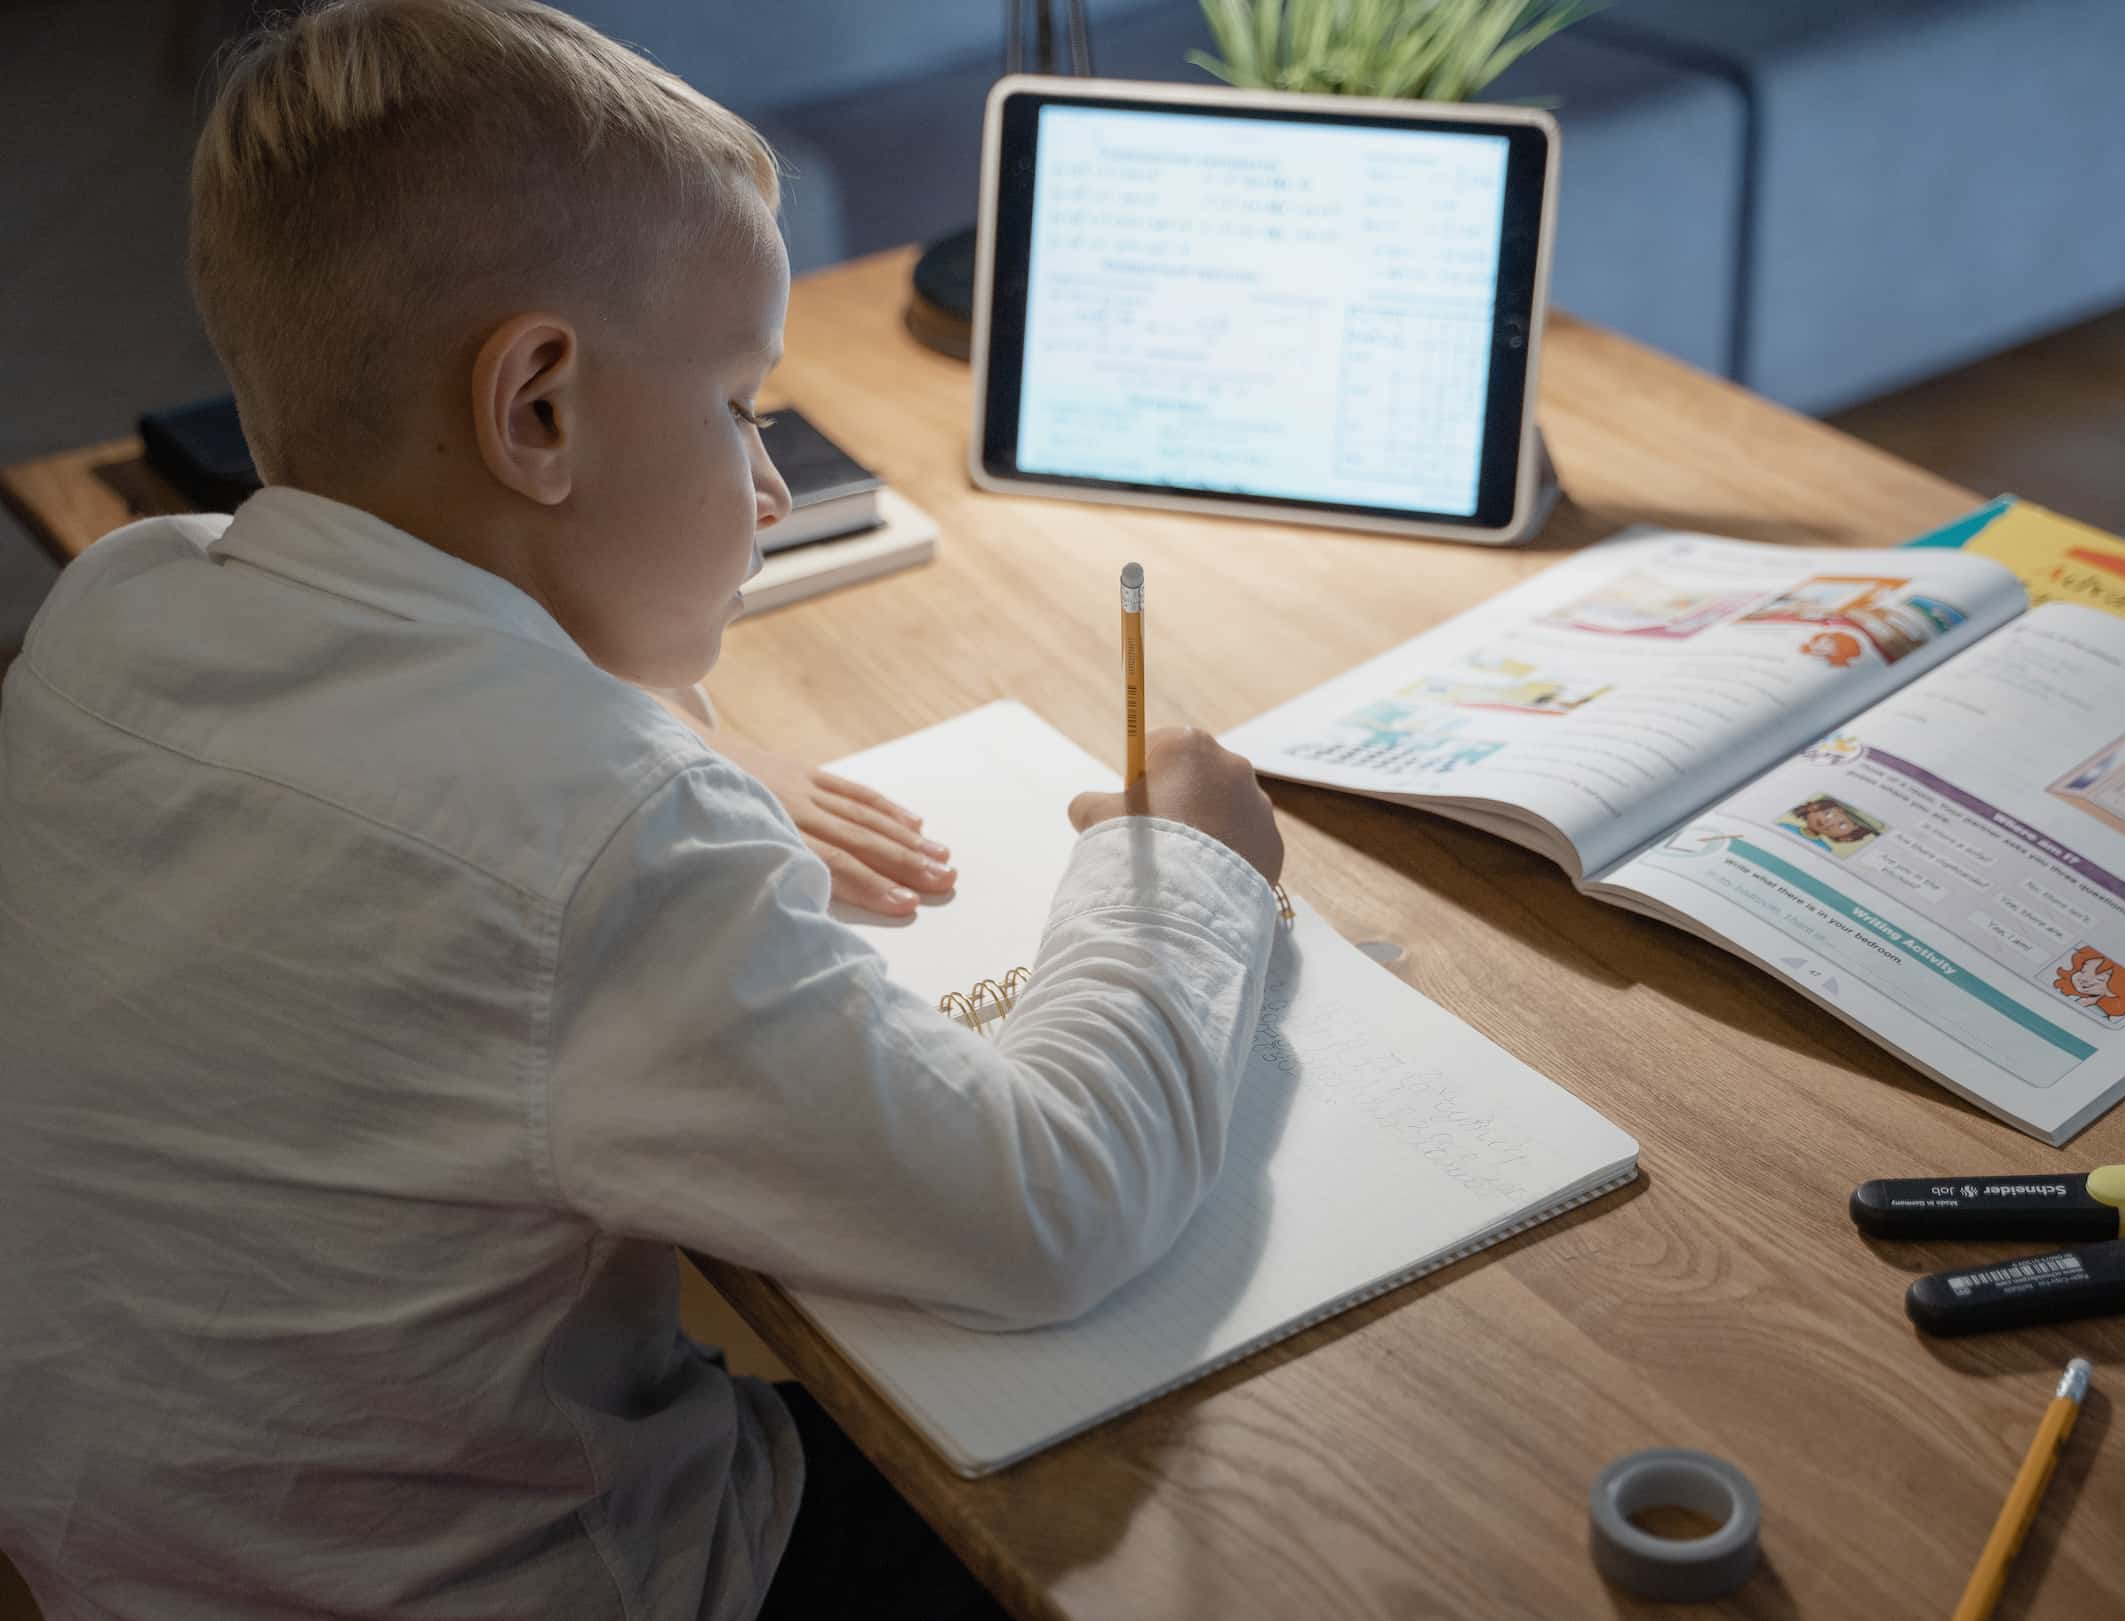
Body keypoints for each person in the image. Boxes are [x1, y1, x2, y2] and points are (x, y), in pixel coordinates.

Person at [0, 3, 1287, 1617]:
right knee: (1164, 1515)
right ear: (536, 407)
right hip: (533, 1586)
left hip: (145, 1564)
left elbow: (474, 756)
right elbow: (1050, 1205)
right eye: (739, 403)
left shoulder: (120, 600)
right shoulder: (605, 843)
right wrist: (1187, 873)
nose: (766, 487)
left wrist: (665, 739)